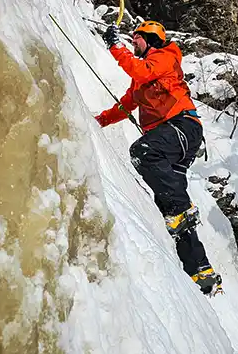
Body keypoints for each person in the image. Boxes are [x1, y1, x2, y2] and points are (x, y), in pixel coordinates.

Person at [94, 20, 222, 296]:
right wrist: (100, 121)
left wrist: (115, 46)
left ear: (150, 39)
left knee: (142, 152)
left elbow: (142, 69)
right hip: (172, 139)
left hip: (182, 126)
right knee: (168, 204)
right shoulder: (142, 80)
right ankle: (200, 272)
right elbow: (125, 104)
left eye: (137, 38)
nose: (133, 43)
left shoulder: (164, 56)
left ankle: (184, 208)